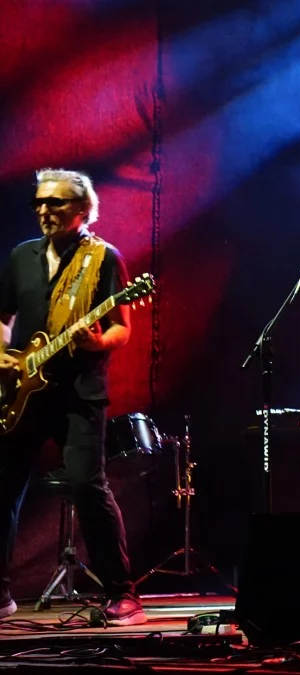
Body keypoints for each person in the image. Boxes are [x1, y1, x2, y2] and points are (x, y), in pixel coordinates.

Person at [0, 169, 145, 625]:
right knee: (2, 488)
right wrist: (3, 355)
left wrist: (95, 342)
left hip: (80, 393)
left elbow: (121, 326)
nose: (44, 210)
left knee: (87, 485)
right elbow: (3, 316)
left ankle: (123, 594)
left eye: (56, 203)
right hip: (23, 390)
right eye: (39, 202)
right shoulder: (21, 256)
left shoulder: (103, 258)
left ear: (83, 210)